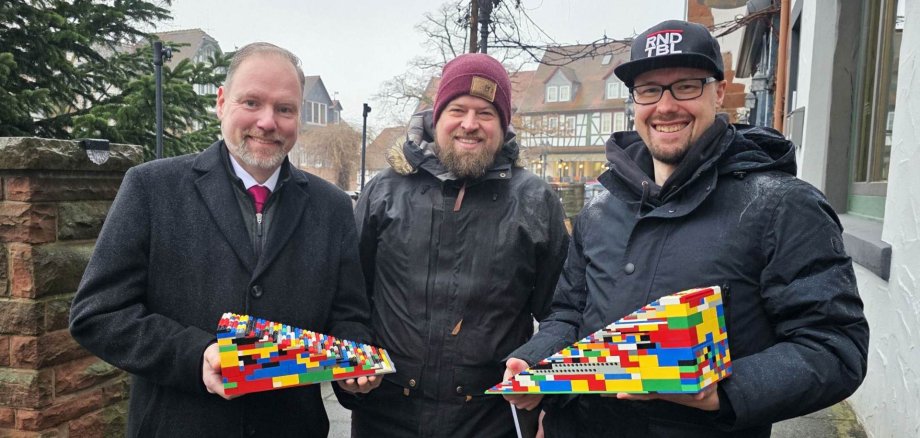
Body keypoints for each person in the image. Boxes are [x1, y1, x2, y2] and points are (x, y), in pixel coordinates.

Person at [503, 20, 869, 437]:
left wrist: (723, 391)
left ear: (718, 90)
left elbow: (835, 348)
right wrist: (536, 361)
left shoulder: (783, 205)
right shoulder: (601, 210)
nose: (665, 106)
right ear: (635, 102)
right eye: (649, 90)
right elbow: (569, 315)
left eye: (686, 86)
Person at [69, 42, 379, 437]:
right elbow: (97, 314)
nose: (268, 122)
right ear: (221, 102)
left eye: (284, 109)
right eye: (251, 102)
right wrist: (197, 355)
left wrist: (354, 366)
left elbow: (347, 315)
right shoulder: (151, 188)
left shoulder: (332, 207)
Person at [349, 53, 569, 437]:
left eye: (485, 113)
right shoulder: (384, 192)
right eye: (457, 110)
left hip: (490, 417)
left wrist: (538, 367)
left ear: (503, 125)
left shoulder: (534, 200)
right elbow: (349, 296)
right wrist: (354, 355)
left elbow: (563, 310)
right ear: (436, 117)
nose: (470, 125)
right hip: (386, 414)